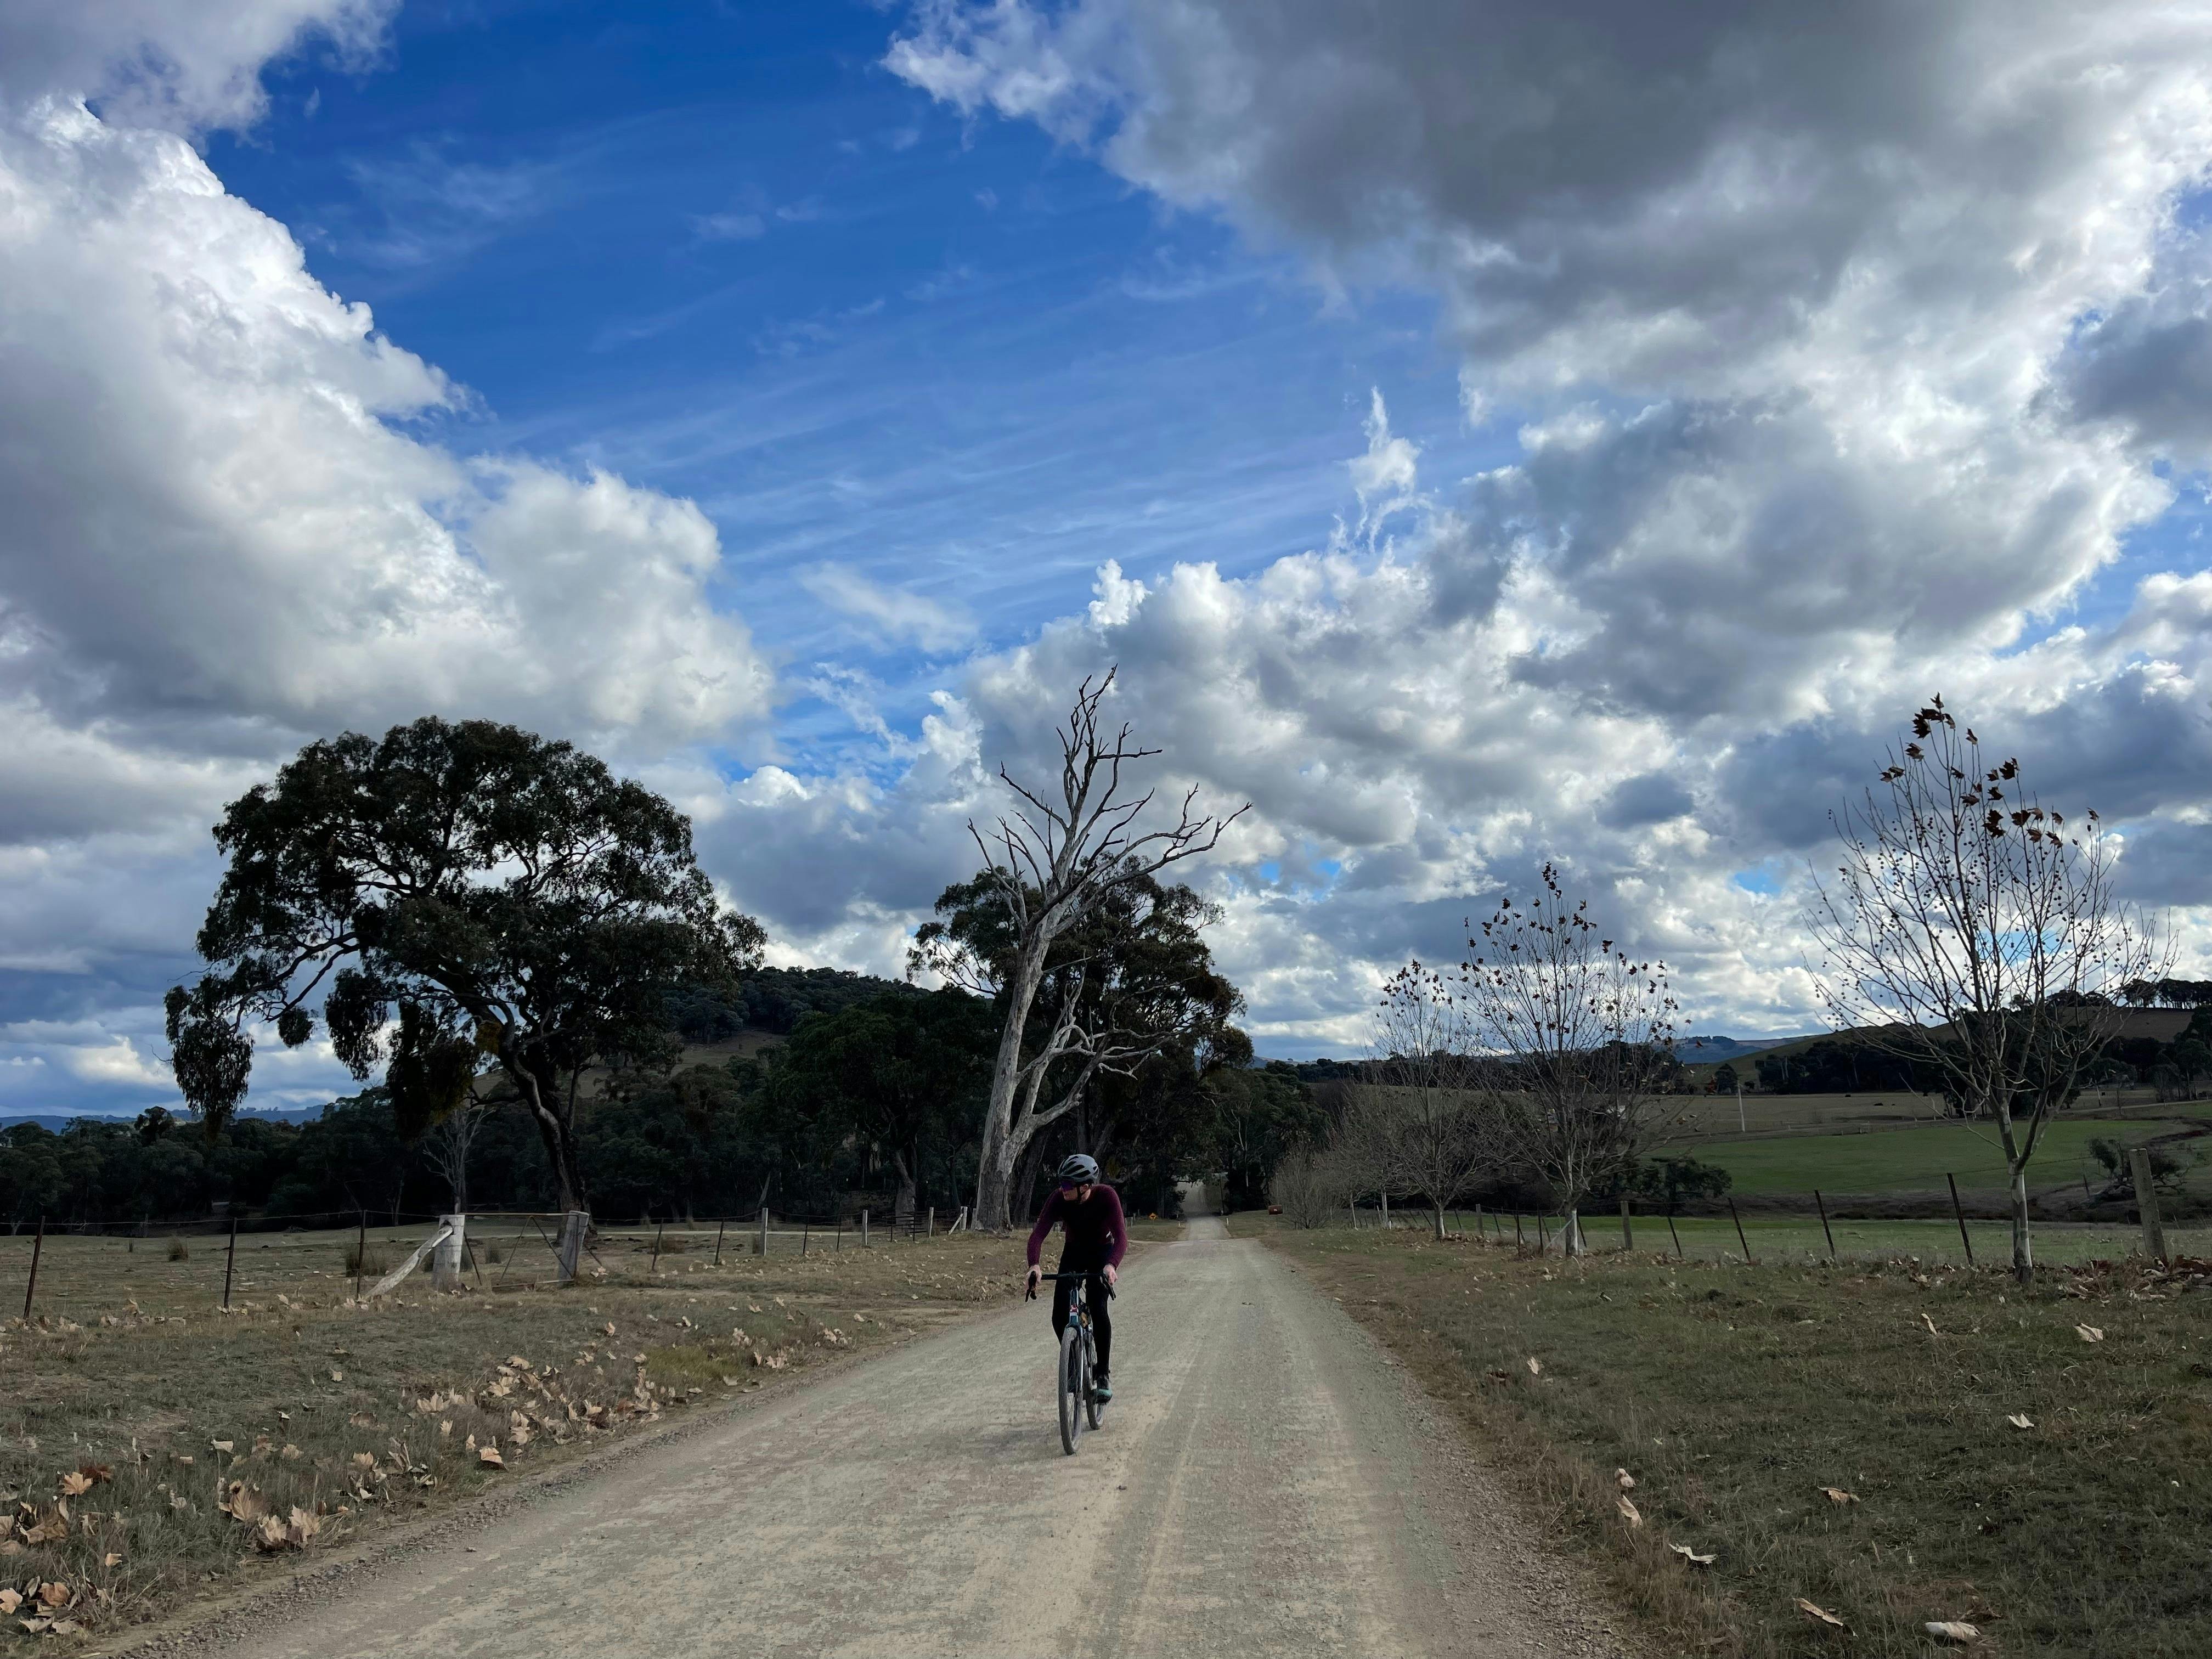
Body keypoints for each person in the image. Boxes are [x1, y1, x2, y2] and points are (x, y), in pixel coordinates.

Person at [1024, 1152, 1127, 1402]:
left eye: (1068, 1185)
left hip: (1101, 1255)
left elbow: (1121, 1238)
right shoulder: (1059, 1199)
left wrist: (1111, 1266)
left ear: (1086, 1187)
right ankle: (1072, 1363)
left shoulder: (1106, 1197)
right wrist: (1034, 1265)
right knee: (1059, 1316)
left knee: (1098, 1309)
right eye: (1062, 1183)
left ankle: (1102, 1374)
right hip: (1074, 1252)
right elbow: (1037, 1235)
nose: (1063, 1189)